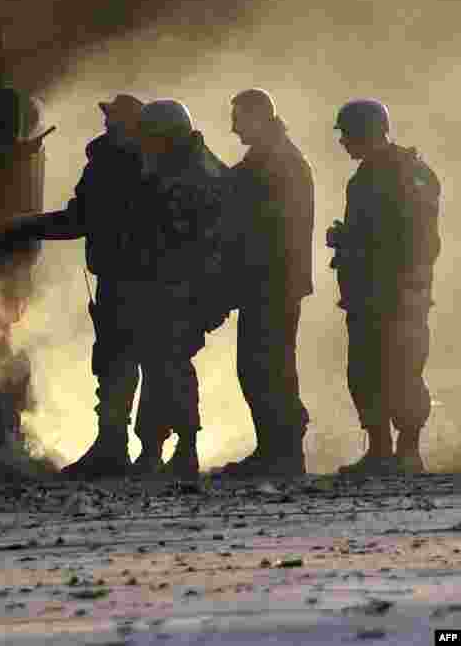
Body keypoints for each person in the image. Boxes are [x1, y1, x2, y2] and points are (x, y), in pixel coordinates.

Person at [0, 93, 145, 478]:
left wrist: (21, 226)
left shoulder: (114, 163)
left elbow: (81, 218)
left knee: (116, 363)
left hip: (124, 277)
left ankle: (115, 449)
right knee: (129, 363)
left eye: (113, 117)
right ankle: (129, 449)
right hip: (137, 275)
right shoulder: (143, 160)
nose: (106, 122)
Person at [327, 99, 441, 475]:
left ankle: (407, 451)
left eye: (347, 134)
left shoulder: (406, 173)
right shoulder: (367, 176)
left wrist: (406, 281)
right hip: (367, 294)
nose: (342, 142)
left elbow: (419, 239)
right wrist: (348, 240)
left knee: (403, 369)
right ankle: (380, 451)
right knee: (364, 371)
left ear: (366, 132)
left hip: (398, 294)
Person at [124, 99, 229, 479]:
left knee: (170, 367)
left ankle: (182, 448)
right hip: (170, 286)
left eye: (149, 137)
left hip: (182, 288)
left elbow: (192, 241)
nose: (144, 145)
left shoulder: (192, 176)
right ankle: (154, 448)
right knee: (160, 366)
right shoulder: (184, 167)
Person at [219, 89, 314, 477]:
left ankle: (283, 453)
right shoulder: (271, 158)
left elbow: (266, 225)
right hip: (269, 280)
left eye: (238, 117)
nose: (233, 125)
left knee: (267, 365)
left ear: (258, 116)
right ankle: (275, 450)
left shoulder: (279, 162)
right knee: (262, 365)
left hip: (273, 281)